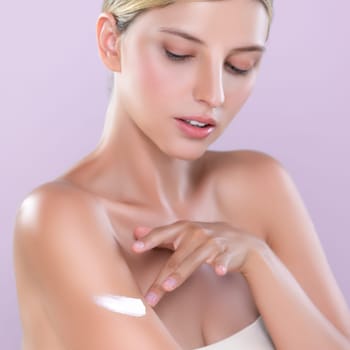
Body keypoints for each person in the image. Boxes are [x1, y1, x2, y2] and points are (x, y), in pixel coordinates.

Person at [13, 0, 350, 349]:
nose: (213, 94)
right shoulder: (57, 217)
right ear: (111, 42)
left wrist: (260, 261)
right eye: (179, 54)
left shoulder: (261, 185)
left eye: (239, 66)